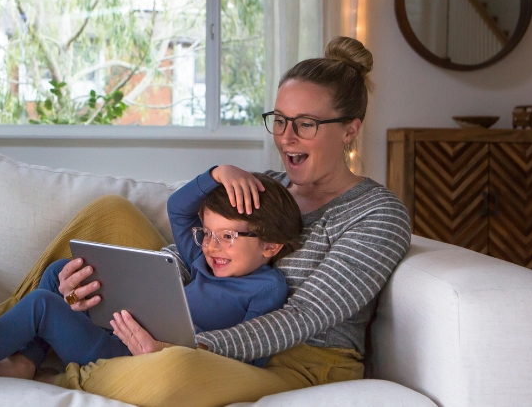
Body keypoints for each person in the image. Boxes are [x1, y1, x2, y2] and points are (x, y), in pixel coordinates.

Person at [38, 36, 412, 407]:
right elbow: (197, 253)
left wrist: (193, 346)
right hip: (204, 329)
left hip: (301, 363)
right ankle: (26, 338)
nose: (286, 137)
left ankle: (65, 370)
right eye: (280, 120)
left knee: (174, 373)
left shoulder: (377, 214)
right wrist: (126, 284)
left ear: (350, 129)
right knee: (109, 214)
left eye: (306, 124)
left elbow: (304, 316)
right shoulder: (267, 187)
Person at [0, 173, 303, 390]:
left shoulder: (267, 289)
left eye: (228, 236)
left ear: (270, 246)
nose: (213, 245)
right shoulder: (203, 259)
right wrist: (218, 173)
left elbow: (252, 357)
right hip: (122, 329)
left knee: (43, 306)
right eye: (209, 233)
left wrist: (178, 346)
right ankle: (26, 361)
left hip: (132, 357)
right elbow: (179, 209)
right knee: (61, 272)